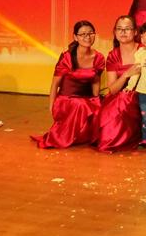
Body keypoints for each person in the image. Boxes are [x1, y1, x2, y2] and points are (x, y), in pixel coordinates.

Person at [31, 21, 105, 149]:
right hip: (66, 100)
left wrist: (97, 101)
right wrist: (52, 106)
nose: (87, 37)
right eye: (83, 34)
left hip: (87, 99)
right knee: (80, 105)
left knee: (101, 109)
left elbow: (96, 82)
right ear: (75, 37)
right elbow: (55, 84)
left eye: (90, 33)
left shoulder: (99, 57)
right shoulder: (67, 57)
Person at [97, 15, 142, 152]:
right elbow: (113, 89)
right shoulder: (113, 55)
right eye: (119, 29)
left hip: (142, 94)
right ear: (115, 33)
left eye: (127, 29)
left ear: (135, 32)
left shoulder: (144, 50)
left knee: (124, 100)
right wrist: (126, 74)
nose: (123, 32)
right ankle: (112, 140)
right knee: (114, 106)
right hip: (118, 95)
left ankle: (121, 139)